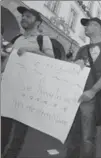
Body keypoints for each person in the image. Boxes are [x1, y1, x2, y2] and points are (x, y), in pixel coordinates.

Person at [2, 6, 54, 158]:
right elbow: (7, 57)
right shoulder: (17, 38)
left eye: (28, 16)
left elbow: (52, 61)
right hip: (7, 87)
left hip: (27, 92)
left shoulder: (42, 39)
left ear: (38, 23)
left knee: (19, 132)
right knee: (3, 127)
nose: (23, 18)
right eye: (23, 16)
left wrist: (32, 52)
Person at [65, 17, 101, 158]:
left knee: (87, 137)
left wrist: (93, 91)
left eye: (89, 25)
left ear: (98, 27)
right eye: (85, 25)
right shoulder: (82, 49)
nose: (85, 27)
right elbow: (74, 72)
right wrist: (75, 64)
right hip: (76, 95)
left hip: (91, 98)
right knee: (73, 135)